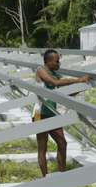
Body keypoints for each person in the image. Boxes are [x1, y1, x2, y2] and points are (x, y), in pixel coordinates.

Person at [33, 49, 90, 177]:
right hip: (39, 112)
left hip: (51, 111)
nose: (59, 64)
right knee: (43, 146)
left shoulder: (54, 73)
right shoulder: (40, 70)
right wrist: (79, 80)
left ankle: (62, 176)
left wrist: (79, 87)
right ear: (48, 61)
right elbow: (55, 83)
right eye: (57, 61)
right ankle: (45, 179)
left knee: (62, 143)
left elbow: (66, 89)